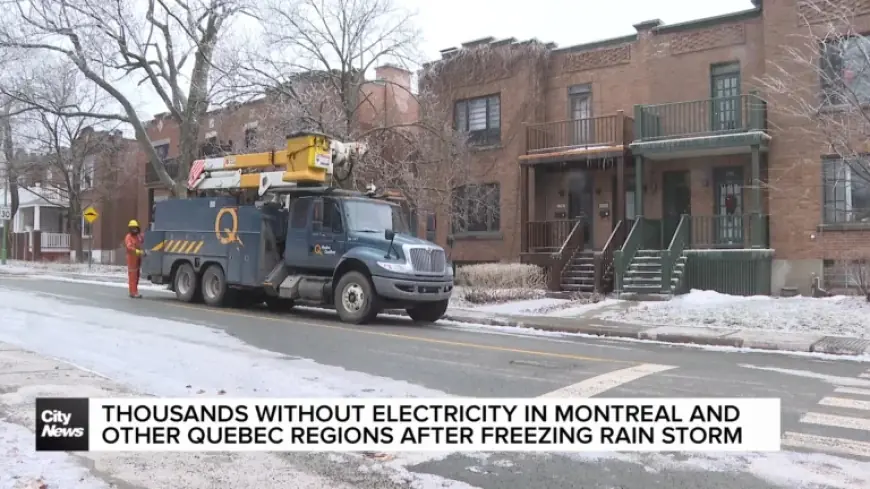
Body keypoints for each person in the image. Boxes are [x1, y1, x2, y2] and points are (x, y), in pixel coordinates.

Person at [125, 219, 145, 298]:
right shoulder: (128, 237)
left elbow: (142, 240)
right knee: (132, 277)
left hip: (137, 258)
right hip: (131, 259)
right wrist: (138, 252)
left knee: (137, 276)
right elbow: (129, 247)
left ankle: (134, 291)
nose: (135, 230)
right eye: (133, 228)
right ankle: (133, 292)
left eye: (135, 228)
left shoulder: (138, 236)